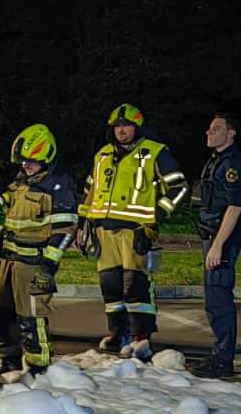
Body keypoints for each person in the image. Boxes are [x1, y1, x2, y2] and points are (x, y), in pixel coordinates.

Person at [79, 104, 188, 360]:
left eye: (126, 126)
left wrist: (156, 217)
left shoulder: (155, 152)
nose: (122, 131)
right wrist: (83, 223)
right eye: (117, 126)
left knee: (136, 286)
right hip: (103, 230)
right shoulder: (103, 154)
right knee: (111, 287)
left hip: (135, 231)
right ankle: (118, 333)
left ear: (137, 127)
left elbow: (179, 188)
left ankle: (141, 337)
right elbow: (89, 191)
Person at [0, 123, 79, 379]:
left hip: (34, 263)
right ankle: (9, 359)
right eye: (23, 161)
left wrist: (48, 266)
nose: (25, 165)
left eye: (31, 161)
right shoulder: (23, 181)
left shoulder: (59, 186)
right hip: (10, 261)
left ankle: (39, 369)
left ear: (46, 158)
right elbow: (12, 217)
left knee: (32, 318)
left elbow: (66, 230)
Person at [195, 110, 241, 379]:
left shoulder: (232, 164)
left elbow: (235, 206)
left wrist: (218, 246)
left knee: (219, 298)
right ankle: (219, 354)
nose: (209, 132)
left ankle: (224, 359)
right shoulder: (217, 160)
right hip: (212, 236)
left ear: (231, 133)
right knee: (213, 298)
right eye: (209, 128)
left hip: (221, 239)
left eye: (216, 128)